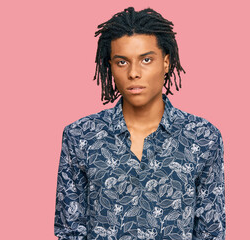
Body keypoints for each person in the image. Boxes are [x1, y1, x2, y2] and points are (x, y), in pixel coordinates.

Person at [54, 6, 226, 240]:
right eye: (122, 62)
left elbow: (211, 231)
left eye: (146, 60)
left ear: (166, 63)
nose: (134, 73)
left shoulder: (203, 137)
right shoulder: (81, 135)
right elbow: (69, 230)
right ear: (110, 67)